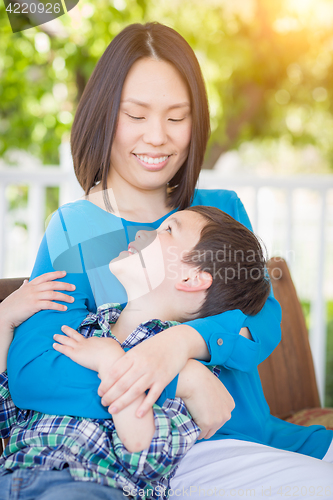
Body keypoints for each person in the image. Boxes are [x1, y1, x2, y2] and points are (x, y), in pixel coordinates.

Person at [3, 21, 333, 498]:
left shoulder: (217, 211)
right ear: (103, 115)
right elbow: (36, 371)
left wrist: (184, 341)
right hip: (157, 460)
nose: (157, 137)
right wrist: (180, 379)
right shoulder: (75, 230)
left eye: (176, 118)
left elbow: (262, 325)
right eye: (136, 115)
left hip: (254, 441)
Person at [0, 204, 271, 499]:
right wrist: (4, 317)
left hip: (94, 488)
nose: (143, 232)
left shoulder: (188, 371)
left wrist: (111, 361)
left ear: (191, 279)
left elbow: (145, 458)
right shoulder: (84, 329)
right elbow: (8, 413)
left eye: (167, 230)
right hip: (13, 477)